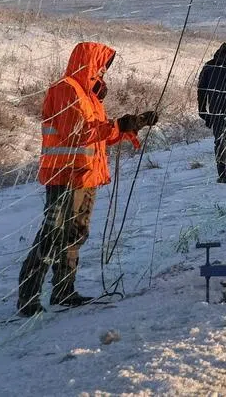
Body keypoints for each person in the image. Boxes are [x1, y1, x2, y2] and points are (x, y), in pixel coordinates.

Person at [17, 42, 158, 316]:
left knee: (75, 234)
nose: (104, 71)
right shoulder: (66, 89)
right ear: (90, 63)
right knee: (52, 234)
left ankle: (64, 291)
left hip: (86, 176)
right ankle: (28, 297)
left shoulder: (88, 95)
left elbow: (100, 136)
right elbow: (78, 133)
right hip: (65, 176)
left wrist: (133, 124)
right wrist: (118, 124)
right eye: (102, 65)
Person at [197, 43, 226, 183]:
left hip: (218, 111)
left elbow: (201, 91)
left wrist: (204, 112)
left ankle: (224, 175)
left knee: (221, 143)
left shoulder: (210, 67)